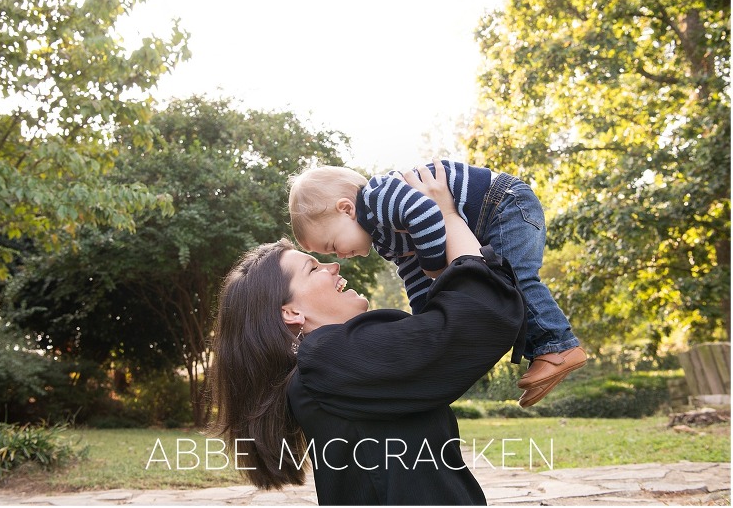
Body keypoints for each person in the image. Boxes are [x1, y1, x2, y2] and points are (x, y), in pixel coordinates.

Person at [207, 161, 527, 505]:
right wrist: (448, 214)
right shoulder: (326, 362)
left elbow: (446, 337)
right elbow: (474, 322)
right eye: (313, 267)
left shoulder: (329, 365)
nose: (334, 266)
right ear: (291, 312)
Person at [288, 159, 586, 408]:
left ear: (346, 209)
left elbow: (428, 213)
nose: (340, 256)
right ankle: (547, 352)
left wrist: (435, 267)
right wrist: (427, 317)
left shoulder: (379, 197)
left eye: (331, 245)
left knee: (515, 278)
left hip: (503, 203)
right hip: (482, 221)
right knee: (503, 283)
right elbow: (413, 273)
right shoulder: (384, 241)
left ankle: (557, 347)